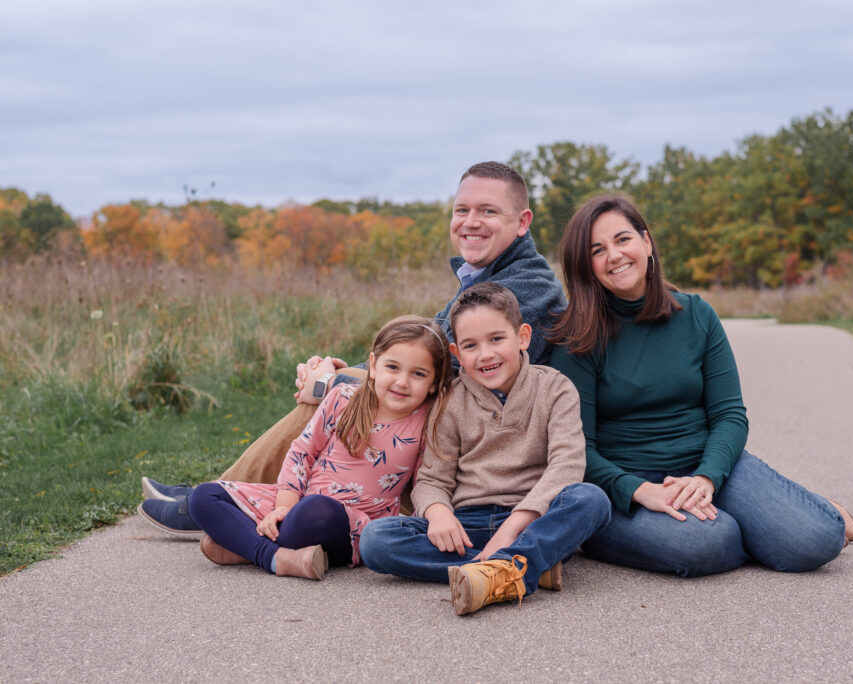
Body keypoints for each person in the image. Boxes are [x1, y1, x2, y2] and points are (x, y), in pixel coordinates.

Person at [139, 161, 567, 533]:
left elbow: (448, 368)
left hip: (485, 440)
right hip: (460, 417)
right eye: (462, 210)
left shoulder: (525, 285)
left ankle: (221, 498)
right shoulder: (487, 276)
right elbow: (426, 347)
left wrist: (333, 383)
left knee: (345, 394)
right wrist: (342, 370)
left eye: (488, 211)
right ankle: (235, 494)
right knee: (345, 386)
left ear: (522, 221)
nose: (470, 221)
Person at [547, 194, 853, 578]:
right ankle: (764, 523)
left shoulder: (696, 314)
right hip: (623, 489)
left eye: (622, 239)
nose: (614, 255)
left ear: (646, 242)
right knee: (710, 542)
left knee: (819, 538)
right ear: (586, 265)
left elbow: (729, 414)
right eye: (598, 250)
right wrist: (640, 491)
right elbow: (576, 447)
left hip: (704, 466)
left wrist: (707, 477)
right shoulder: (577, 336)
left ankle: (805, 510)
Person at [358, 283, 611, 615]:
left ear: (522, 337)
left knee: (592, 499)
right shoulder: (450, 399)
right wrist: (439, 514)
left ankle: (508, 563)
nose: (486, 354)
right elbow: (433, 479)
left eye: (496, 339)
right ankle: (523, 567)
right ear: (456, 354)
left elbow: (566, 465)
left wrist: (512, 529)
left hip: (533, 519)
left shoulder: (555, 388)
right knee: (376, 540)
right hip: (467, 524)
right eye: (470, 346)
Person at [181, 315, 453, 580]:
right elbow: (302, 452)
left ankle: (248, 547)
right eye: (392, 367)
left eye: (418, 374)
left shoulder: (428, 423)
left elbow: (425, 483)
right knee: (203, 497)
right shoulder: (344, 397)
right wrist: (283, 508)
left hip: (347, 523)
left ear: (433, 384)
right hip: (296, 502)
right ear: (373, 363)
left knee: (316, 510)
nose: (402, 381)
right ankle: (277, 558)